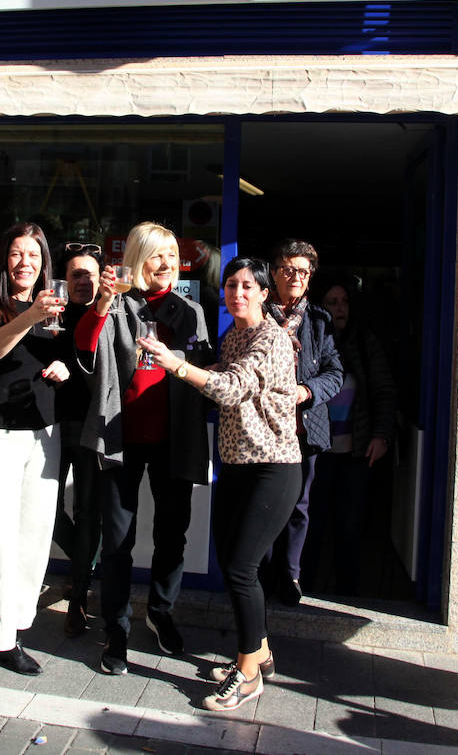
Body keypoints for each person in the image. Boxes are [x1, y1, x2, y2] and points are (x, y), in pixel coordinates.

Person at [138, 256, 299, 712]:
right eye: (231, 285)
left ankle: (248, 675)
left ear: (265, 294)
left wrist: (173, 364)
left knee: (243, 568)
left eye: (248, 286)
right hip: (235, 465)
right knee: (231, 563)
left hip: (273, 467)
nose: (238, 293)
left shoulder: (271, 339)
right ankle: (260, 650)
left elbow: (229, 388)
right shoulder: (230, 336)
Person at [74, 221, 213, 675]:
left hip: (176, 439)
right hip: (122, 438)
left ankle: (161, 611)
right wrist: (102, 301)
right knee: (117, 540)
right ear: (137, 259)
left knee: (173, 534)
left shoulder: (191, 309)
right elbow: (84, 345)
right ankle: (116, 629)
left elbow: (205, 365)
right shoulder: (117, 304)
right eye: (156, 255)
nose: (166, 264)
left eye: (172, 255)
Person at [0, 221, 70, 702]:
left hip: (43, 435)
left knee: (31, 546)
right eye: (16, 253)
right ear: (5, 260)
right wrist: (30, 316)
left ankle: (11, 637)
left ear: (43, 261)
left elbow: (72, 355)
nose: (24, 261)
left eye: (33, 254)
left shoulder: (57, 309)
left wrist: (66, 365)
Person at [303, 274, 397, 595]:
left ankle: (347, 595)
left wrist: (381, 435)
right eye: (332, 302)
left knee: (349, 526)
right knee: (311, 525)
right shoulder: (310, 341)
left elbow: (383, 390)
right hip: (317, 451)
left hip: (355, 453)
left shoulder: (364, 341)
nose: (339, 308)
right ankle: (305, 589)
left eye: (344, 302)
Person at [262, 239, 343, 605]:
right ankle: (261, 575)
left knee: (299, 505)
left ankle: (290, 575)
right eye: (289, 269)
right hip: (262, 429)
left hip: (305, 428)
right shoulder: (256, 311)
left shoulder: (319, 321)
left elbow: (334, 373)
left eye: (304, 271)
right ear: (274, 272)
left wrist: (306, 391)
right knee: (264, 504)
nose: (296, 277)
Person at [51, 242, 104, 637]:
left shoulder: (110, 314)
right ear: (64, 281)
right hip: (51, 425)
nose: (84, 281)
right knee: (48, 512)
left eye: (90, 274)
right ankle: (84, 562)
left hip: (91, 426)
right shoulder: (50, 313)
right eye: (76, 275)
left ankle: (79, 596)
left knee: (89, 511)